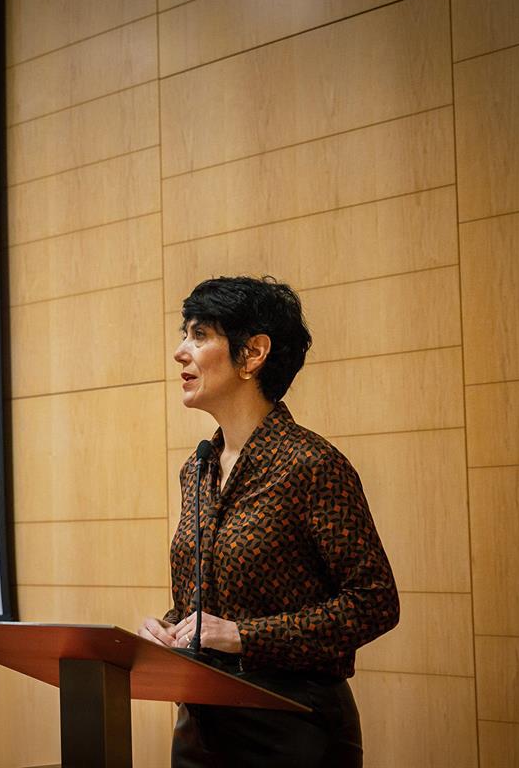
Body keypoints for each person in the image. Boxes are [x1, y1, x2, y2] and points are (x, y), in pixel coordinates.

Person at [139, 276, 399, 767]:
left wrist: (244, 636)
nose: (180, 351)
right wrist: (172, 630)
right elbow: (211, 605)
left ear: (253, 353)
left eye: (200, 335)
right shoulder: (199, 468)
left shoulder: (311, 464)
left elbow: (374, 603)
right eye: (184, 334)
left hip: (292, 729)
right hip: (200, 727)